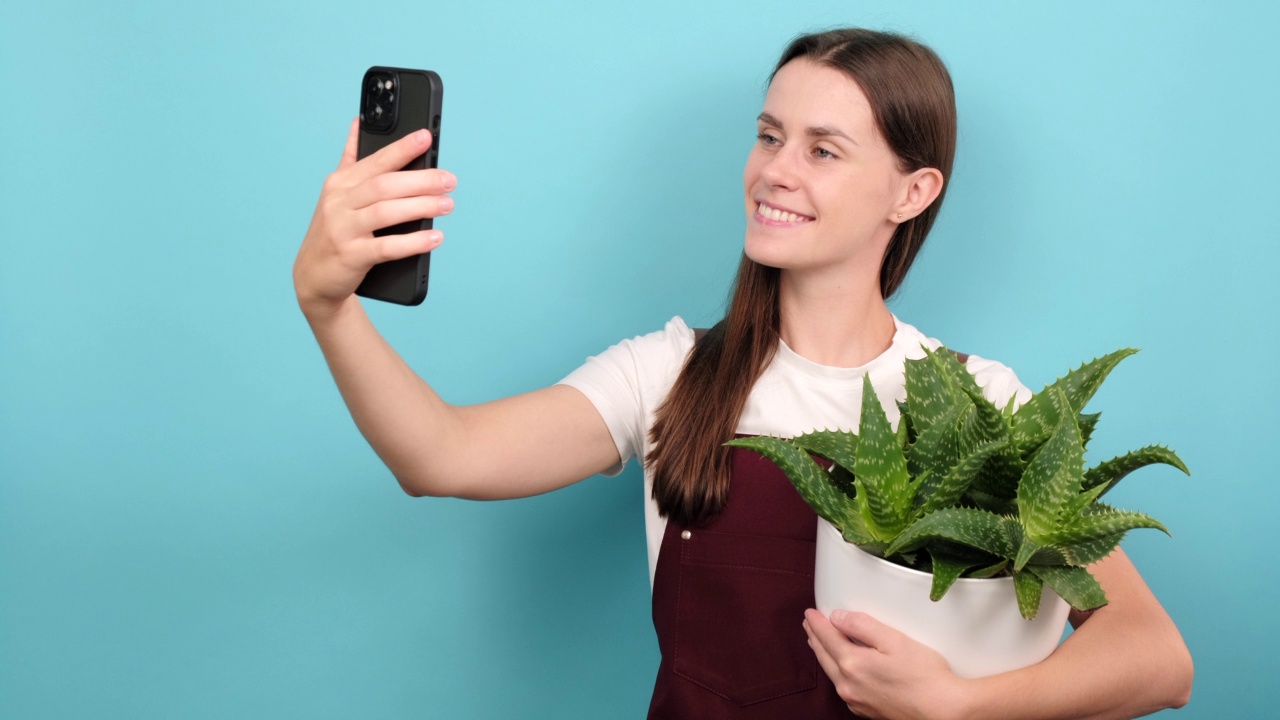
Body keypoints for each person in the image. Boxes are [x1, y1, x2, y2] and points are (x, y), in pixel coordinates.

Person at [294, 27, 1192, 720]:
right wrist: (328, 308)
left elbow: (1156, 656)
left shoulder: (983, 405)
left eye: (823, 149)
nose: (775, 171)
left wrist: (960, 705)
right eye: (770, 136)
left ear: (912, 192)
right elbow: (441, 457)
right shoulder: (672, 376)